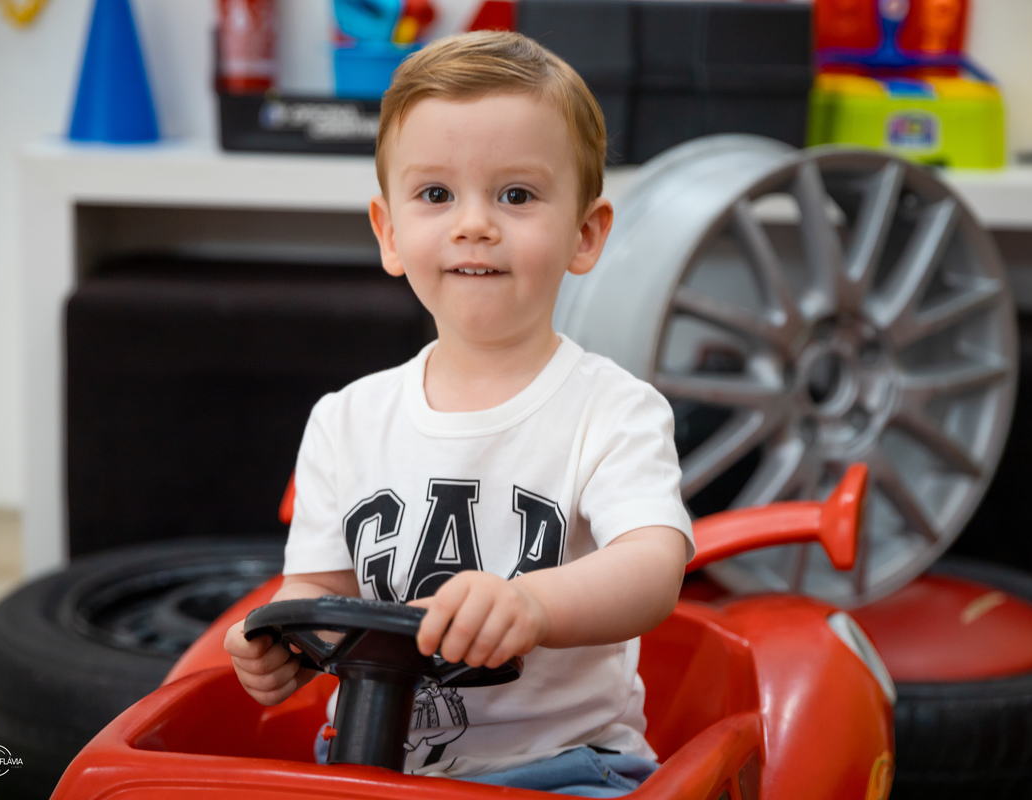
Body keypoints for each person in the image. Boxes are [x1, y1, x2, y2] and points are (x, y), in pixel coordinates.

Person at [223, 30, 694, 797]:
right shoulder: (346, 420)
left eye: (517, 195)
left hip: (564, 769)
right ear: (389, 233)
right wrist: (283, 641)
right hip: (368, 765)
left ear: (585, 235)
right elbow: (319, 587)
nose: (474, 223)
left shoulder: (613, 410)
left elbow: (652, 568)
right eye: (437, 195)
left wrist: (533, 604)